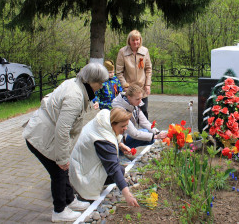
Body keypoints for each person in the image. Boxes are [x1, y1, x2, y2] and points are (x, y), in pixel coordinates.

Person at [22, 63, 109, 222]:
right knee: (59, 171)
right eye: (101, 82)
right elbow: (62, 130)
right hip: (40, 137)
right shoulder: (75, 97)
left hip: (44, 133)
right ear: (91, 81)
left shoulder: (77, 85)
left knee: (62, 171)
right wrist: (62, 158)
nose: (102, 86)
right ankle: (59, 211)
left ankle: (70, 200)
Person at [69, 108, 139, 206]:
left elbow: (111, 133)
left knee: (120, 170)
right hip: (80, 172)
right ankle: (82, 190)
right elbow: (113, 167)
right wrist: (127, 194)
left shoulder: (104, 121)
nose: (125, 128)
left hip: (79, 162)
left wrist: (120, 145)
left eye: (127, 125)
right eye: (123, 126)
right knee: (118, 170)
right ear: (113, 123)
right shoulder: (103, 141)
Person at [112, 83, 167, 149]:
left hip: (125, 135)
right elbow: (134, 133)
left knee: (147, 133)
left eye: (141, 98)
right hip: (118, 140)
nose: (140, 101)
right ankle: (122, 151)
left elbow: (144, 122)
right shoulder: (120, 109)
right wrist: (155, 136)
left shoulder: (133, 103)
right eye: (137, 99)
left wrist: (158, 132)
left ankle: (125, 150)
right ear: (129, 97)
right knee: (149, 137)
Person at [116, 30, 152, 119]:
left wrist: (147, 84)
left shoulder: (145, 51)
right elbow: (119, 72)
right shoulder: (122, 52)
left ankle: (146, 132)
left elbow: (148, 69)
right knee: (128, 114)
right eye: (133, 40)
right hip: (129, 89)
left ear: (140, 40)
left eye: (137, 40)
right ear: (129, 40)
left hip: (142, 89)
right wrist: (125, 85)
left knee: (143, 113)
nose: (135, 42)